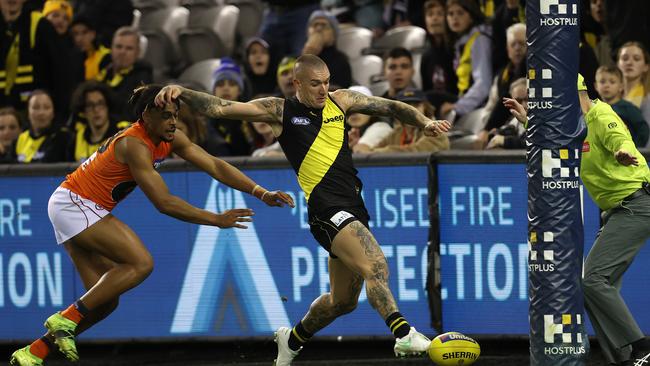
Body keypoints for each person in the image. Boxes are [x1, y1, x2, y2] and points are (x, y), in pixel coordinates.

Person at [155, 54, 451, 365]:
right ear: (297, 83)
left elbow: (390, 106)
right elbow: (219, 107)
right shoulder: (279, 111)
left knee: (342, 302)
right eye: (315, 84)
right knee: (375, 264)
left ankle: (292, 338)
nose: (323, 90)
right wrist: (182, 92)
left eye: (325, 82)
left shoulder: (342, 100)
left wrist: (425, 122)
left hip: (354, 206)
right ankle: (403, 334)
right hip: (326, 210)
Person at [9, 84, 294, 366]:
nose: (173, 121)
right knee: (141, 263)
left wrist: (260, 192)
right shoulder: (134, 144)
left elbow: (214, 165)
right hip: (76, 205)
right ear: (146, 116)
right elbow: (164, 203)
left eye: (176, 114)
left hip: (69, 203)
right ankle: (64, 319)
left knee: (104, 301)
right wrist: (216, 219)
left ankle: (35, 351)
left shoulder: (169, 137)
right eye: (167, 116)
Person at [439, 0, 492, 121]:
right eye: (450, 14)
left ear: (471, 16)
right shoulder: (461, 42)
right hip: (466, 100)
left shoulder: (480, 40)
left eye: (460, 13)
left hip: (479, 107)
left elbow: (483, 84)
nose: (455, 18)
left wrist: (459, 106)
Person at [364, 88, 450, 153]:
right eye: (405, 106)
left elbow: (417, 152)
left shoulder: (437, 130)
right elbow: (372, 151)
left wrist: (387, 150)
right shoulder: (397, 132)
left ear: (426, 108)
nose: (411, 111)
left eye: (416, 105)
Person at [97, 26, 153, 121]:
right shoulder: (104, 71)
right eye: (118, 47)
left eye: (129, 48)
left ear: (137, 52)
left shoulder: (143, 78)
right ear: (111, 48)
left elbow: (131, 113)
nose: (122, 52)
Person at [594, 65, 649, 148]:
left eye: (612, 82)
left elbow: (643, 129)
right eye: (602, 82)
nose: (607, 85)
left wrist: (635, 148)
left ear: (621, 86)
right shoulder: (594, 110)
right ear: (596, 86)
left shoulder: (627, 108)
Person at [15, 89, 69, 163]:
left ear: (53, 113)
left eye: (46, 107)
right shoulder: (20, 138)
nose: (41, 113)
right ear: (28, 112)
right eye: (36, 107)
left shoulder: (64, 138)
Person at [302, 10, 352, 88]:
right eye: (315, 25)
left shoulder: (341, 60)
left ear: (333, 36)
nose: (318, 29)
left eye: (324, 25)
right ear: (308, 32)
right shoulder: (297, 58)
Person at [617, 41, 650, 124]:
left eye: (636, 59)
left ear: (646, 66)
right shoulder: (608, 95)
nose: (629, 62)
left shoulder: (647, 100)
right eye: (625, 58)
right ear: (618, 64)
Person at [70, 15, 111, 81]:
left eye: (84, 32)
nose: (79, 39)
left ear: (93, 34)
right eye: (75, 34)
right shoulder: (73, 59)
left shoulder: (106, 56)